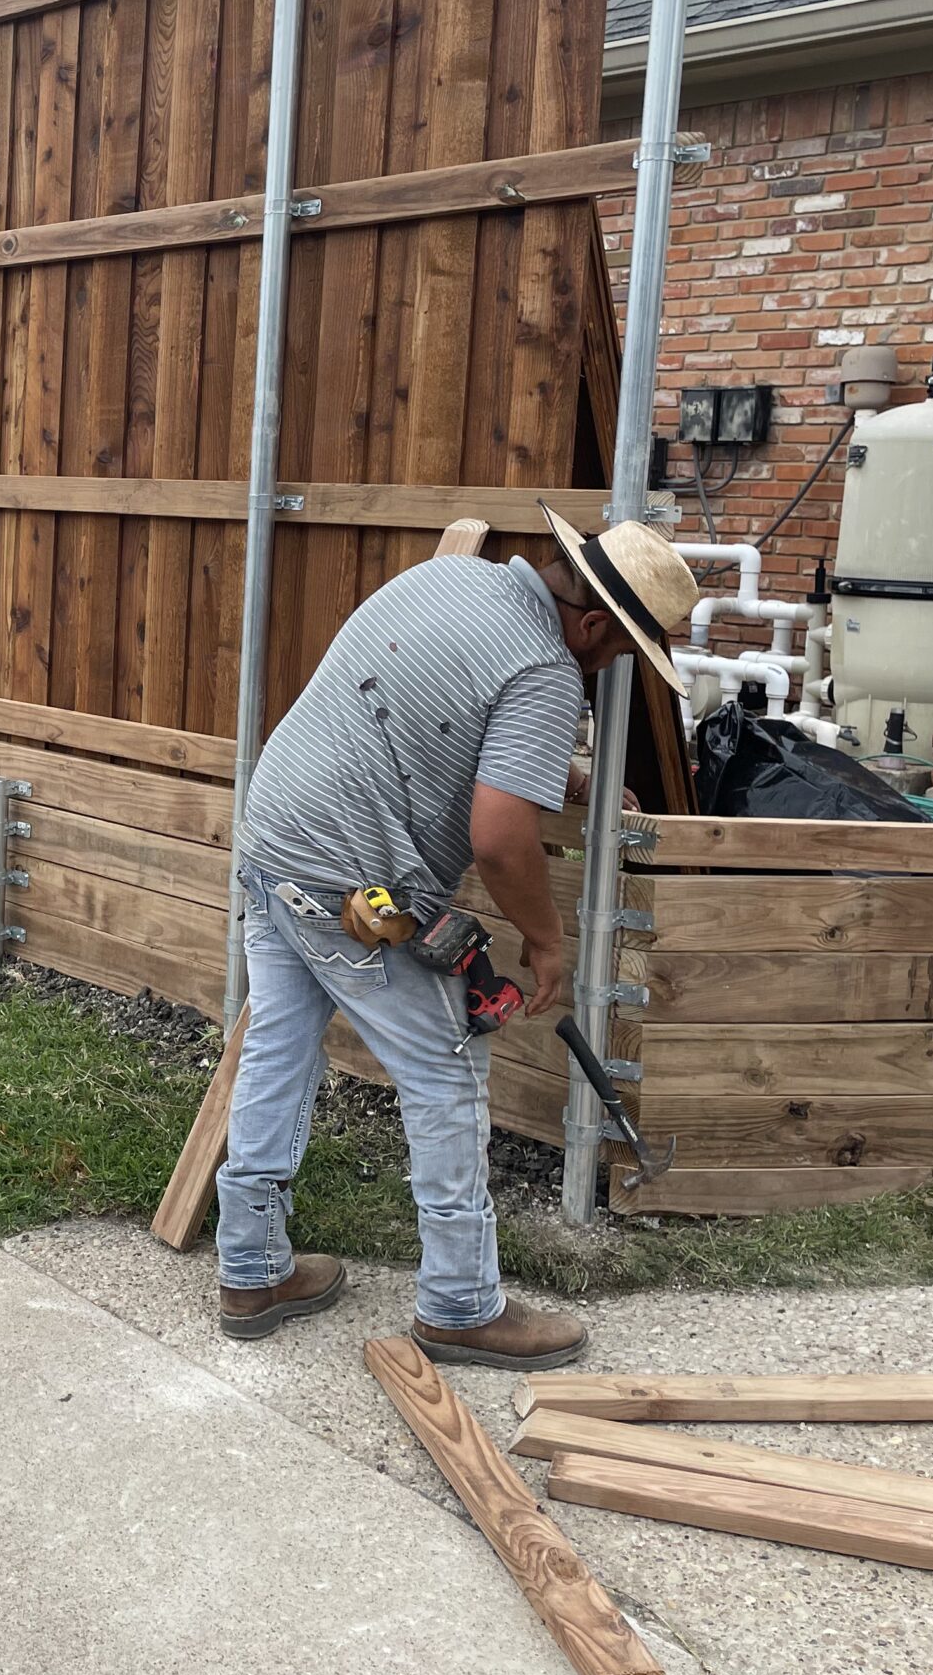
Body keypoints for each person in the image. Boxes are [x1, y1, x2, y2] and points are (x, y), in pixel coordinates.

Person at [215, 504, 698, 1367]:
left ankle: (250, 1269)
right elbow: (499, 838)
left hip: (272, 838)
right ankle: (461, 1306)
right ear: (593, 623)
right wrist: (548, 943)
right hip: (350, 887)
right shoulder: (548, 669)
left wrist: (569, 775)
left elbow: (441, 714)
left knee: (277, 1053)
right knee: (446, 1072)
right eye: (622, 649)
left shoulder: (450, 577)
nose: (613, 664)